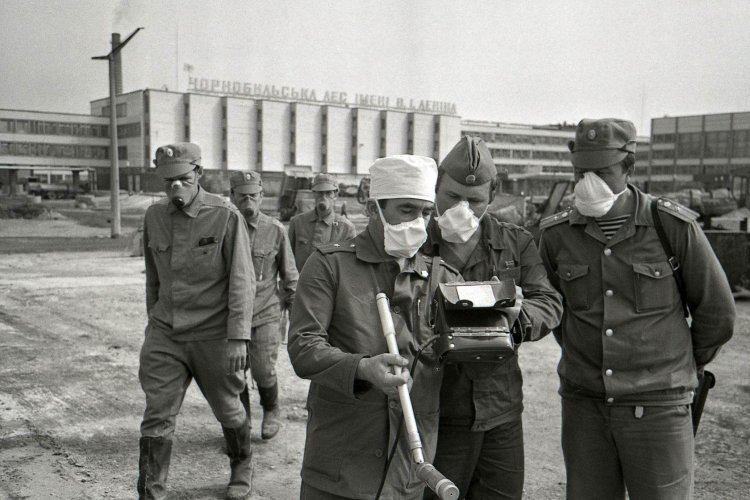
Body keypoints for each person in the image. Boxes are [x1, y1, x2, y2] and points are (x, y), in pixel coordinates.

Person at [538, 118, 736, 499]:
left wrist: (677, 364)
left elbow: (718, 313)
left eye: (601, 172)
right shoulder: (557, 235)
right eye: (581, 173)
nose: (588, 183)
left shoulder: (671, 226)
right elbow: (555, 311)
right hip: (586, 409)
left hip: (659, 410)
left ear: (629, 168)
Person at [287, 155, 462, 500]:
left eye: (426, 212)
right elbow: (303, 347)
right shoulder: (329, 266)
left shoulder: (443, 277)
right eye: (406, 210)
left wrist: (501, 315)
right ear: (372, 208)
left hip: (408, 465)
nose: (418, 222)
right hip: (340, 462)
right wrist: (363, 368)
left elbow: (464, 350)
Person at [422, 136, 563, 500]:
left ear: (493, 195)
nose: (462, 208)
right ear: (436, 187)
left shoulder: (515, 242)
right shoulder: (415, 242)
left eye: (474, 200)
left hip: (500, 411)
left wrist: (518, 318)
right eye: (452, 196)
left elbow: (549, 300)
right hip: (436, 410)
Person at [137, 143, 256, 500]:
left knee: (229, 409)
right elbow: (153, 280)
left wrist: (238, 338)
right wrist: (154, 324)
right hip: (166, 334)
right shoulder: (153, 216)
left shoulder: (224, 215)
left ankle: (241, 465)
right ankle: (151, 492)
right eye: (168, 181)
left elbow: (242, 281)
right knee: (157, 415)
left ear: (199, 173)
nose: (175, 187)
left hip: (214, 335)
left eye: (183, 179)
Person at [229, 170, 298, 440]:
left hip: (266, 312)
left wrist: (295, 308)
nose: (248, 202)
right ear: (232, 196)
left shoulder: (275, 230)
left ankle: (271, 409)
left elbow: (290, 274)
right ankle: (241, 422)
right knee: (234, 372)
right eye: (242, 196)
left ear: (261, 196)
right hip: (232, 315)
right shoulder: (223, 228)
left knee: (263, 369)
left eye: (253, 196)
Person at [287, 173, 356, 272]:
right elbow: (288, 261)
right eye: (320, 193)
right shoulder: (297, 223)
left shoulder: (346, 228)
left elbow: (349, 266)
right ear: (314, 194)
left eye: (328, 193)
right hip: (301, 280)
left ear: (335, 195)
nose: (323, 197)